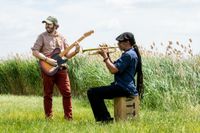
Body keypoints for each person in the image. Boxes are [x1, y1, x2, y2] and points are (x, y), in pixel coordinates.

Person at [87, 32, 144, 123]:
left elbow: (113, 70)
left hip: (124, 88)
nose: (118, 45)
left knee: (92, 92)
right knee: (95, 92)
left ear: (127, 42)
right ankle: (105, 118)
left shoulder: (128, 55)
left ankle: (105, 119)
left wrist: (105, 56)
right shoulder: (130, 53)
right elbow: (115, 66)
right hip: (124, 86)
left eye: (120, 42)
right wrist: (107, 55)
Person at [31, 16, 80, 120]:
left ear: (55, 25)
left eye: (49, 24)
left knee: (67, 93)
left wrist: (76, 51)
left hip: (61, 68)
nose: (47, 26)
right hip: (47, 69)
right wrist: (46, 59)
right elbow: (35, 51)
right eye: (46, 24)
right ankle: (48, 117)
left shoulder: (62, 38)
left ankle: (68, 118)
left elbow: (67, 55)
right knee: (48, 94)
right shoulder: (42, 37)